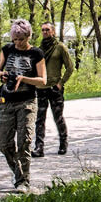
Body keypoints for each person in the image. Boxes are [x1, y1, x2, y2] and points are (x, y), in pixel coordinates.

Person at [0, 19, 47, 194]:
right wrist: (3, 75)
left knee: (24, 141)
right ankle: (18, 173)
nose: (17, 43)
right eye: (15, 39)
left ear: (28, 36)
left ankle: (23, 181)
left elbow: (43, 80)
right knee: (4, 142)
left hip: (27, 102)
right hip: (7, 101)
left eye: (21, 39)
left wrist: (23, 79)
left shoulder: (36, 54)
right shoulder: (7, 50)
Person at [32, 22, 74, 157]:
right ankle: (39, 147)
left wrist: (61, 83)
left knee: (58, 117)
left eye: (47, 30)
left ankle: (63, 142)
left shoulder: (60, 47)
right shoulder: (39, 50)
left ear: (53, 32)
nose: (45, 32)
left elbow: (70, 67)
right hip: (41, 88)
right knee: (39, 119)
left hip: (54, 88)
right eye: (43, 30)